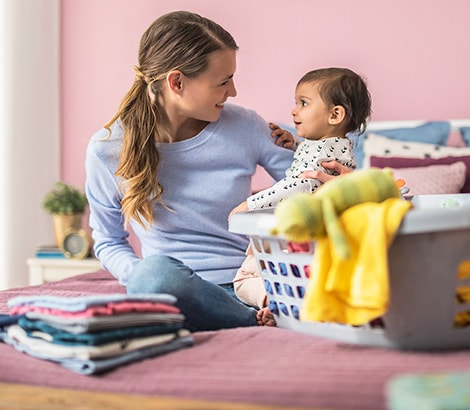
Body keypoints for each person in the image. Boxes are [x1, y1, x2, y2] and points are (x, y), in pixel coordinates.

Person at [85, 10, 302, 332]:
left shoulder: (246, 126)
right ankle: (249, 322)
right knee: (154, 274)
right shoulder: (108, 149)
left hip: (251, 287)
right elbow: (107, 239)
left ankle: (250, 313)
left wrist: (303, 148)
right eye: (224, 81)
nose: (233, 92)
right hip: (173, 289)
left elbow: (308, 187)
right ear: (177, 82)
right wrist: (140, 277)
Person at [230, 68, 372, 317]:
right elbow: (311, 153)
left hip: (300, 233)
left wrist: (252, 204)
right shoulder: (332, 147)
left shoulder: (327, 157)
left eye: (303, 103)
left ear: (335, 114)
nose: (294, 110)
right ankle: (280, 304)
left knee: (243, 279)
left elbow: (300, 184)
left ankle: (277, 304)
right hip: (310, 234)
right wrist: (294, 142)